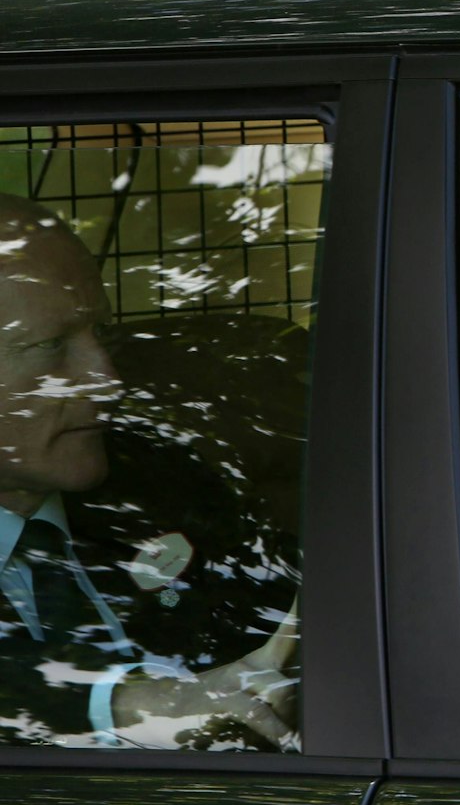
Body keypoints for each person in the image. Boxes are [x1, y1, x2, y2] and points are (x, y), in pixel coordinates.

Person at [0, 194, 296, 748]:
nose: (108, 381)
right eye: (49, 346)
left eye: (101, 335)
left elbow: (271, 624)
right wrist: (130, 701)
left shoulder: (164, 482)